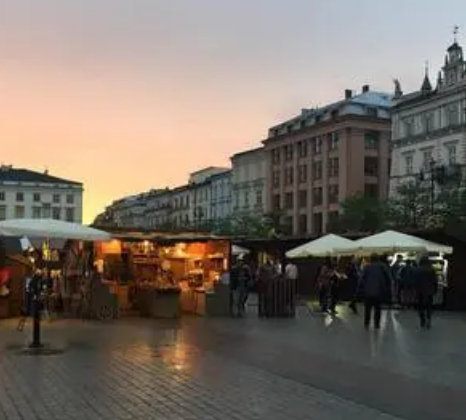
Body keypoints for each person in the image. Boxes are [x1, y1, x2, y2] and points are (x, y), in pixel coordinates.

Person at [359, 254, 392, 330]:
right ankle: (376, 324)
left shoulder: (366, 267)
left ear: (371, 259)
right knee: (378, 308)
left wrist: (363, 286)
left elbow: (361, 279)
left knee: (368, 308)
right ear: (378, 259)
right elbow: (389, 278)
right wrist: (388, 287)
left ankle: (366, 323)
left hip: (368, 291)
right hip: (379, 290)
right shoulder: (383, 266)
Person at [413, 255, 438, 329]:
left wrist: (415, 289)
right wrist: (435, 289)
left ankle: (422, 319)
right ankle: (428, 318)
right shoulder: (431, 269)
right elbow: (435, 281)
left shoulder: (417, 269)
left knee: (420, 305)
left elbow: (415, 281)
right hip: (429, 290)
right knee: (429, 305)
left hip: (420, 290)